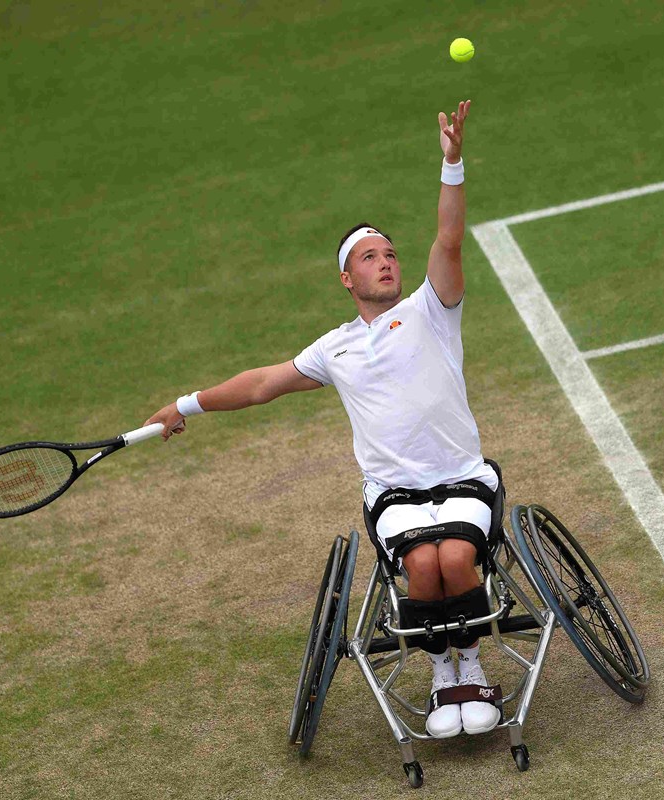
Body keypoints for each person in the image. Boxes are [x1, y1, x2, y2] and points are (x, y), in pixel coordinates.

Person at [144, 99, 501, 739]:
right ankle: (443, 674)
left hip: (463, 476)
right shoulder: (333, 349)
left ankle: (471, 666)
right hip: (393, 492)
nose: (386, 261)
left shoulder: (432, 307)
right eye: (370, 256)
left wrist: (452, 163)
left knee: (454, 557)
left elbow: (447, 238)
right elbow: (259, 386)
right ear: (346, 278)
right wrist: (185, 404)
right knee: (422, 567)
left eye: (389, 253)